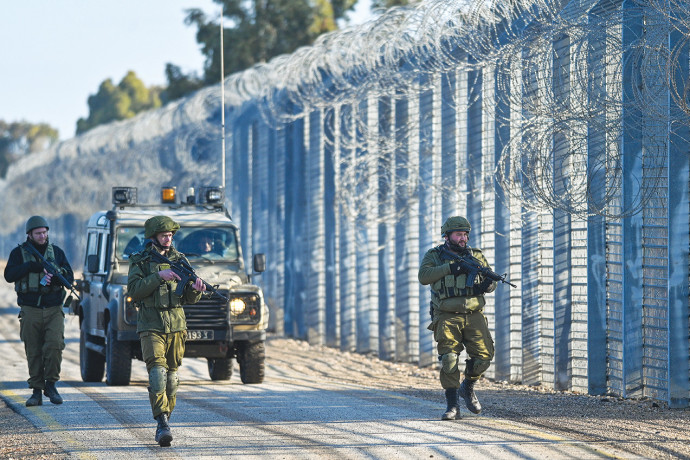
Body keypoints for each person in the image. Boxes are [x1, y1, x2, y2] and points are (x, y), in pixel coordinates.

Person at [127, 216, 206, 447]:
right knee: (157, 373)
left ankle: (165, 420)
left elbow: (188, 298)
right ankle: (161, 422)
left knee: (172, 377)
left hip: (176, 324)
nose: (168, 238)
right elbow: (133, 290)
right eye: (164, 235)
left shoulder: (180, 260)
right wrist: (157, 276)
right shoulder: (140, 261)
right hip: (151, 324)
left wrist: (196, 289)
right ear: (153, 238)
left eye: (171, 235)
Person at [418, 216, 497, 420]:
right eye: (458, 234)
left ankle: (468, 386)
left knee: (484, 357)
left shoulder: (476, 255)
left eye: (465, 234)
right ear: (447, 236)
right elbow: (424, 277)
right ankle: (452, 406)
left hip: (474, 315)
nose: (463, 238)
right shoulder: (434, 255)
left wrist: (487, 285)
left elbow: (488, 278)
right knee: (449, 359)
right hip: (447, 316)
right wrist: (449, 268)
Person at [3, 216, 74, 407]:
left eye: (44, 232)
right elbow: (9, 275)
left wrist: (55, 277)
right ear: (30, 235)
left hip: (53, 308)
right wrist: (30, 267)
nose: (42, 236)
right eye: (38, 233)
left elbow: (69, 276)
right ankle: (36, 391)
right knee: (33, 350)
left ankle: (51, 384)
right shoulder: (19, 253)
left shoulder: (56, 253)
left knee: (55, 345)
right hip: (30, 309)